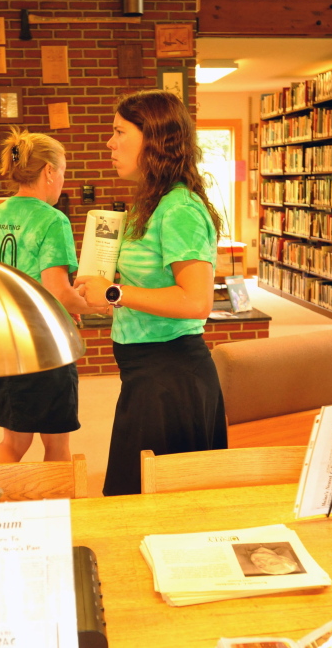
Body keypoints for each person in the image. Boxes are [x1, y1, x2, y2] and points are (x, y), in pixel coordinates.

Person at [75, 90, 227, 495]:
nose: (109, 143)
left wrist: (114, 294)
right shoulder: (150, 203)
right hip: (144, 373)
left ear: (153, 139)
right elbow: (148, 289)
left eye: (119, 132)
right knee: (136, 498)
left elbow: (197, 302)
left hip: (171, 378)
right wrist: (106, 293)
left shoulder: (180, 209)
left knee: (154, 504)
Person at [0, 127, 106, 464]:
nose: (63, 179)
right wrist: (106, 307)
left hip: (1, 341)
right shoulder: (53, 220)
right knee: (56, 447)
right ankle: (56, 516)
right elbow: (59, 292)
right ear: (49, 171)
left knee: (13, 444)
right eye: (63, 171)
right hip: (43, 347)